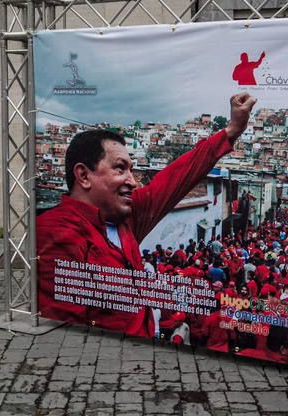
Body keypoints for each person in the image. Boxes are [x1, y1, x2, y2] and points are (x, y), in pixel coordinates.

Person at [37, 93, 256, 338]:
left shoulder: (126, 215)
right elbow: (63, 336)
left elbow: (177, 177)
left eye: (131, 169)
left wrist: (231, 131)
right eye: (120, 168)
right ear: (84, 176)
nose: (132, 181)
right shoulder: (54, 233)